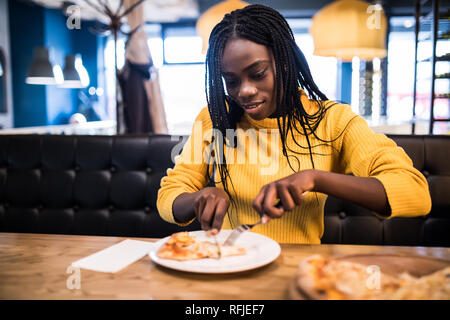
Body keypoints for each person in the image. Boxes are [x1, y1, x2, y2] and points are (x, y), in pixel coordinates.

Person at [157, 4, 431, 244]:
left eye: (258, 73)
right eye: (231, 81)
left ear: (284, 63)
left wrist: (316, 178)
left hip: (301, 271)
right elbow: (170, 194)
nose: (245, 91)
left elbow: (414, 191)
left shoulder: (333, 122)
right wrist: (198, 197)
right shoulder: (214, 121)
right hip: (229, 266)